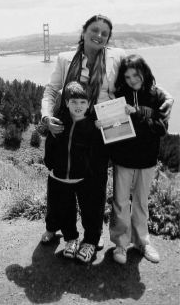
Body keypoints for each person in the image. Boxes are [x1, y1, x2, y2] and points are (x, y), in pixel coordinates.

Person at [41, 14, 173, 263]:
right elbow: (50, 90)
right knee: (62, 180)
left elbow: (142, 76)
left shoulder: (117, 55)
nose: (99, 35)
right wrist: (46, 116)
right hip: (72, 127)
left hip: (104, 129)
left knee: (96, 183)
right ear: (83, 31)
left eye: (105, 32)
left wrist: (168, 96)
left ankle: (93, 235)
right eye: (95, 30)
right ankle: (61, 229)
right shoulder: (64, 59)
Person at [104, 54, 168, 264]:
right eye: (127, 76)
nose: (132, 79)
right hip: (123, 159)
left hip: (147, 159)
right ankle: (121, 245)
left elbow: (161, 128)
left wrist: (138, 113)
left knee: (141, 202)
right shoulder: (118, 96)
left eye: (135, 74)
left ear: (144, 71)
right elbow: (112, 128)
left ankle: (142, 242)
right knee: (120, 202)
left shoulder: (157, 96)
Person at [44, 81, 96, 262]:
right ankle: (71, 239)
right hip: (60, 177)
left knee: (90, 212)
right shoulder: (59, 123)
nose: (78, 106)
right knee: (66, 211)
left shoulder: (92, 127)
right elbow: (49, 145)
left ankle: (90, 242)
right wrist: (51, 166)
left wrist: (90, 172)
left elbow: (97, 153)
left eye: (83, 102)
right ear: (66, 103)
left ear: (89, 104)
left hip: (83, 179)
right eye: (74, 102)